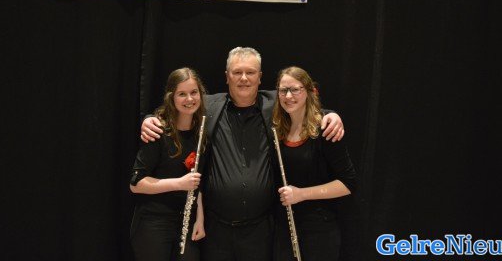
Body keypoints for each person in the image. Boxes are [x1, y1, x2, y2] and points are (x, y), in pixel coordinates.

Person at [140, 47, 345, 261]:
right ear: (227, 76)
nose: (244, 78)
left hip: (261, 230)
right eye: (237, 72)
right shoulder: (207, 106)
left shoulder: (276, 104)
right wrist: (149, 119)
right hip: (215, 229)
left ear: (260, 77)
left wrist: (330, 115)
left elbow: (302, 104)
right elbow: (176, 108)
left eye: (250, 72)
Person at [272, 66, 356, 261]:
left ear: (310, 91)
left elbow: (348, 183)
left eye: (295, 89)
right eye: (283, 90)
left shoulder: (326, 128)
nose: (288, 96)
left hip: (319, 231)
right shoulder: (278, 130)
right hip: (284, 229)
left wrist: (301, 194)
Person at [130, 67, 207, 261]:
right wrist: (179, 183)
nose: (189, 99)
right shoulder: (158, 131)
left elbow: (198, 183)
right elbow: (136, 184)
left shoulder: (202, 132)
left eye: (194, 92)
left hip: (187, 221)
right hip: (154, 222)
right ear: (171, 97)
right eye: (182, 94)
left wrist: (200, 218)